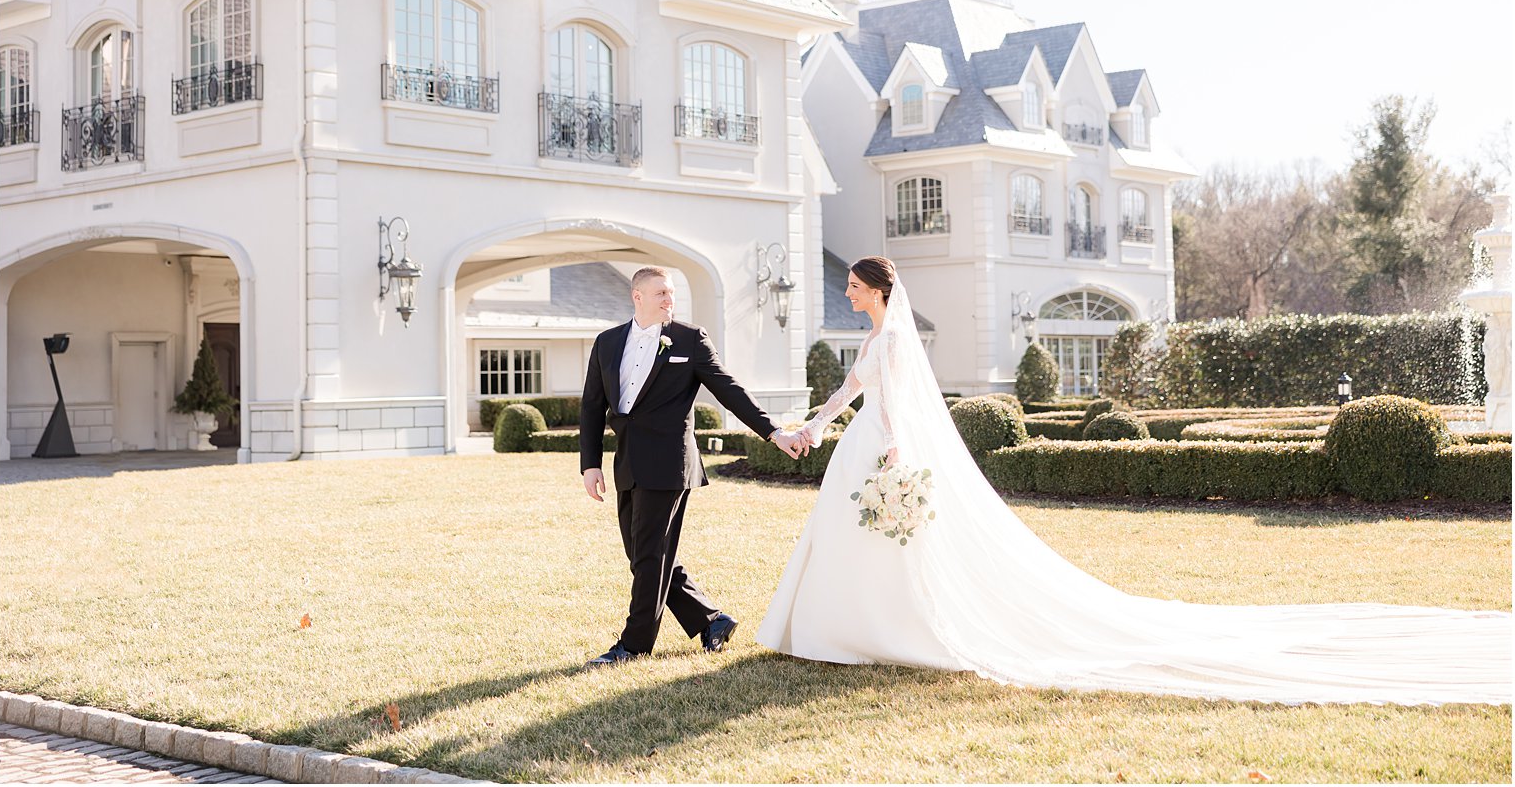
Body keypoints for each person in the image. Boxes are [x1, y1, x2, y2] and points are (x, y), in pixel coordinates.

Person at [756, 255, 1512, 705]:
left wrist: (891, 455)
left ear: (876, 289)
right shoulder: (873, 335)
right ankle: (843, 626)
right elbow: (849, 393)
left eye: (855, 287)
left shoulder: (893, 337)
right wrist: (814, 428)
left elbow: (901, 408)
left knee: (887, 545)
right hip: (859, 447)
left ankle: (883, 629)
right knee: (849, 540)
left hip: (883, 453)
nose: (848, 294)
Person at [580, 265, 804, 666]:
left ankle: (633, 646)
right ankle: (712, 621)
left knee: (649, 555)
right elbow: (592, 406)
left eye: (671, 293)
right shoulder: (607, 342)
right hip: (627, 461)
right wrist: (589, 463)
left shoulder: (689, 339)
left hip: (669, 463)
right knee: (644, 554)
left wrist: (774, 432)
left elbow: (729, 389)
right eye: (661, 293)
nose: (669, 300)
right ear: (638, 297)